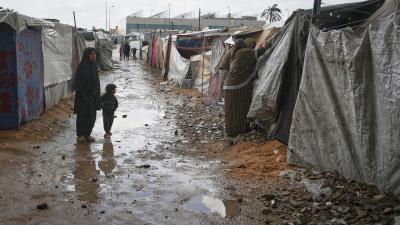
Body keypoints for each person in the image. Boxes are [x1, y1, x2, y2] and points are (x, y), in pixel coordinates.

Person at [223, 38, 257, 137]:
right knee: (241, 108)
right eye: (253, 45)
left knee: (230, 111)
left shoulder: (235, 53)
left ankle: (230, 131)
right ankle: (240, 129)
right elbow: (260, 53)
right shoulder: (247, 53)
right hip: (239, 86)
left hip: (228, 84)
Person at [74, 47, 101, 143]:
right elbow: (78, 83)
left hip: (93, 97)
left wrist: (95, 93)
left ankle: (87, 135)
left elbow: (96, 81)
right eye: (92, 54)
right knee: (82, 116)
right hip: (83, 97)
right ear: (87, 55)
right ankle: (80, 135)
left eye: (95, 54)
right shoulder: (82, 67)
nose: (94, 56)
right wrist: (85, 95)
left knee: (92, 116)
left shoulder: (94, 66)